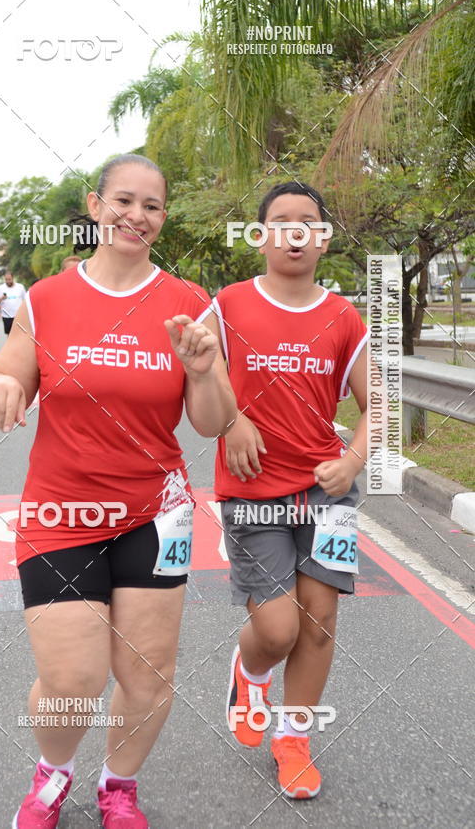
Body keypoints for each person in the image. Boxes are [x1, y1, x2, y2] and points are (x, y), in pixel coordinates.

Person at [0, 153, 236, 829]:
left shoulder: (188, 305)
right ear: (95, 208)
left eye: (152, 206)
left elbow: (213, 421)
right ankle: (53, 775)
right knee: (72, 680)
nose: (137, 216)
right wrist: (3, 386)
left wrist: (204, 371)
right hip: (62, 512)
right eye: (124, 201)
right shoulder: (49, 298)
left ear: (161, 219)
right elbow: (12, 370)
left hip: (156, 515)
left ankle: (118, 785)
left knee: (146, 676)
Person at [206, 182, 368, 800]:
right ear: (262, 235)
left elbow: (374, 401)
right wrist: (231, 420)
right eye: (280, 222)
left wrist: (354, 459)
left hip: (328, 494)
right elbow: (203, 378)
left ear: (323, 238)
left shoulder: (342, 315)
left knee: (319, 623)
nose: (295, 232)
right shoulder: (227, 306)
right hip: (254, 493)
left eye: (308, 222)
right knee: (278, 629)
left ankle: (294, 738)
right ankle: (250, 675)